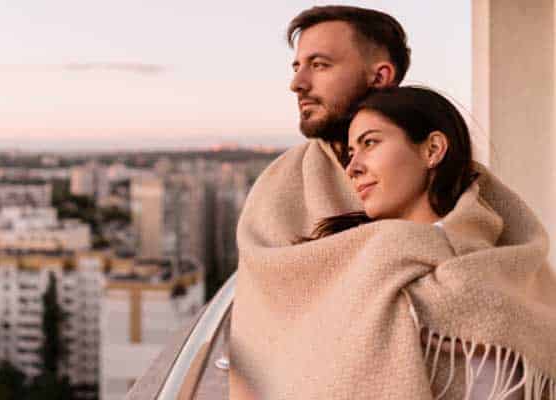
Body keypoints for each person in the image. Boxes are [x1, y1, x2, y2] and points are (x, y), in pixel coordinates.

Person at [229, 5, 556, 400]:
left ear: (380, 76)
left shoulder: (476, 196)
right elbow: (266, 321)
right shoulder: (278, 192)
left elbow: (522, 280)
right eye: (297, 66)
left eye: (319, 64)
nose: (297, 83)